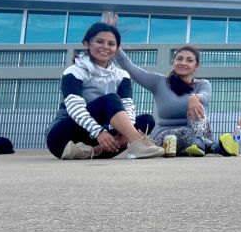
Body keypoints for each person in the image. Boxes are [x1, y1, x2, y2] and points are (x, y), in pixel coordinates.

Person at [45, 22, 164, 160]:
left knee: (146, 121)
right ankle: (137, 143)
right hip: (63, 139)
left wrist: (124, 132)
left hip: (99, 138)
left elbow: (128, 106)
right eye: (99, 42)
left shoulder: (121, 75)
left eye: (111, 44)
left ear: (117, 48)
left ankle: (95, 151)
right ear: (86, 44)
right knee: (110, 99)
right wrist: (99, 132)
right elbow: (74, 108)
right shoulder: (74, 72)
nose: (105, 47)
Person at [115, 45, 214, 156]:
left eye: (189, 60)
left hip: (197, 132)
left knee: (198, 107)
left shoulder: (202, 84)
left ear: (196, 66)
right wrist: (115, 46)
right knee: (183, 135)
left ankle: (198, 143)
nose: (183, 63)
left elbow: (205, 96)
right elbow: (131, 69)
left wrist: (195, 97)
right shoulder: (159, 82)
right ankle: (208, 145)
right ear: (173, 61)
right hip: (166, 136)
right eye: (179, 59)